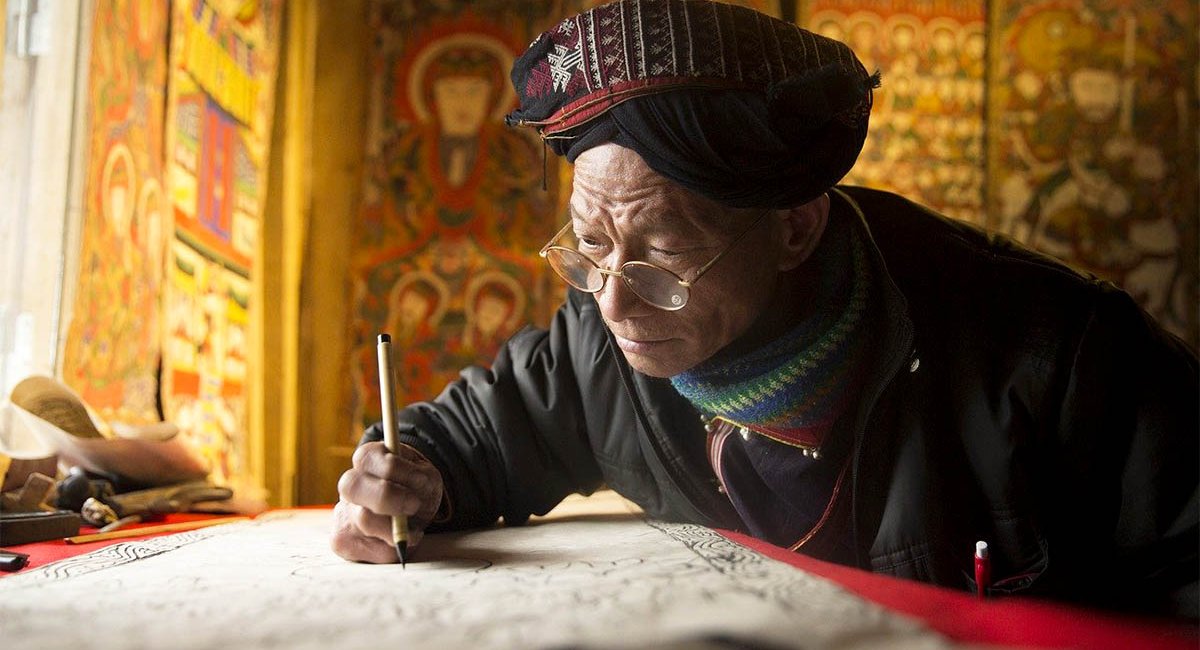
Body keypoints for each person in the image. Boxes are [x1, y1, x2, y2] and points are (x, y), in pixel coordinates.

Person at [332, 0, 1198, 619]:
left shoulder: (1058, 359)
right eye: (589, 242)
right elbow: (467, 440)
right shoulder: (601, 343)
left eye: (664, 253)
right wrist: (400, 479)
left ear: (794, 224)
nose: (614, 295)